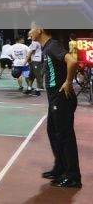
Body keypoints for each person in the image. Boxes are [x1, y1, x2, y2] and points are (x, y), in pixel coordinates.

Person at [29, 24, 81, 188]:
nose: (29, 32)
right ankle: (60, 168)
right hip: (54, 99)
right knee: (53, 132)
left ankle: (73, 176)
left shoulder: (53, 46)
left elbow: (72, 61)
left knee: (65, 136)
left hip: (61, 99)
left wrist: (68, 82)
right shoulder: (46, 48)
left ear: (40, 29)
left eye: (31, 28)